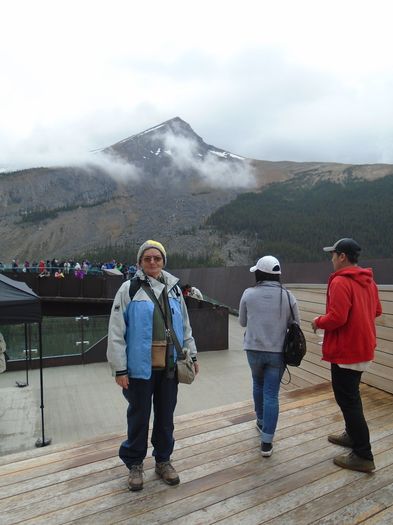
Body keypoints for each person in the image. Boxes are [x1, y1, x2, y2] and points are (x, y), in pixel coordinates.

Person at [107, 240, 199, 491]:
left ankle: (163, 460)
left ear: (163, 261)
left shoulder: (175, 289)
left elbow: (185, 327)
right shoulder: (128, 289)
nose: (152, 262)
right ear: (139, 262)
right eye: (147, 258)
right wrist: (120, 368)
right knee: (138, 416)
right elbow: (116, 331)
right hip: (139, 368)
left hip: (169, 365)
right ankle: (135, 463)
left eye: (157, 258)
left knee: (166, 417)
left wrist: (191, 355)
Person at [311, 238, 382, 473]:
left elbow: (337, 317)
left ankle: (363, 454)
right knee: (351, 397)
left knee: (348, 401)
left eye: (333, 255)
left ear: (342, 257)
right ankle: (351, 436)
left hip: (347, 351)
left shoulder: (341, 281)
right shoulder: (368, 281)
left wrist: (317, 321)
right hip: (363, 348)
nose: (331, 259)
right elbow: (377, 311)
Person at [239, 255, 299, 457]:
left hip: (254, 349)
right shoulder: (288, 296)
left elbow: (242, 322)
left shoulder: (248, 293)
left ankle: (261, 420)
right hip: (277, 353)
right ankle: (266, 442)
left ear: (259, 273)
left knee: (257, 383)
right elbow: (295, 324)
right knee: (271, 393)